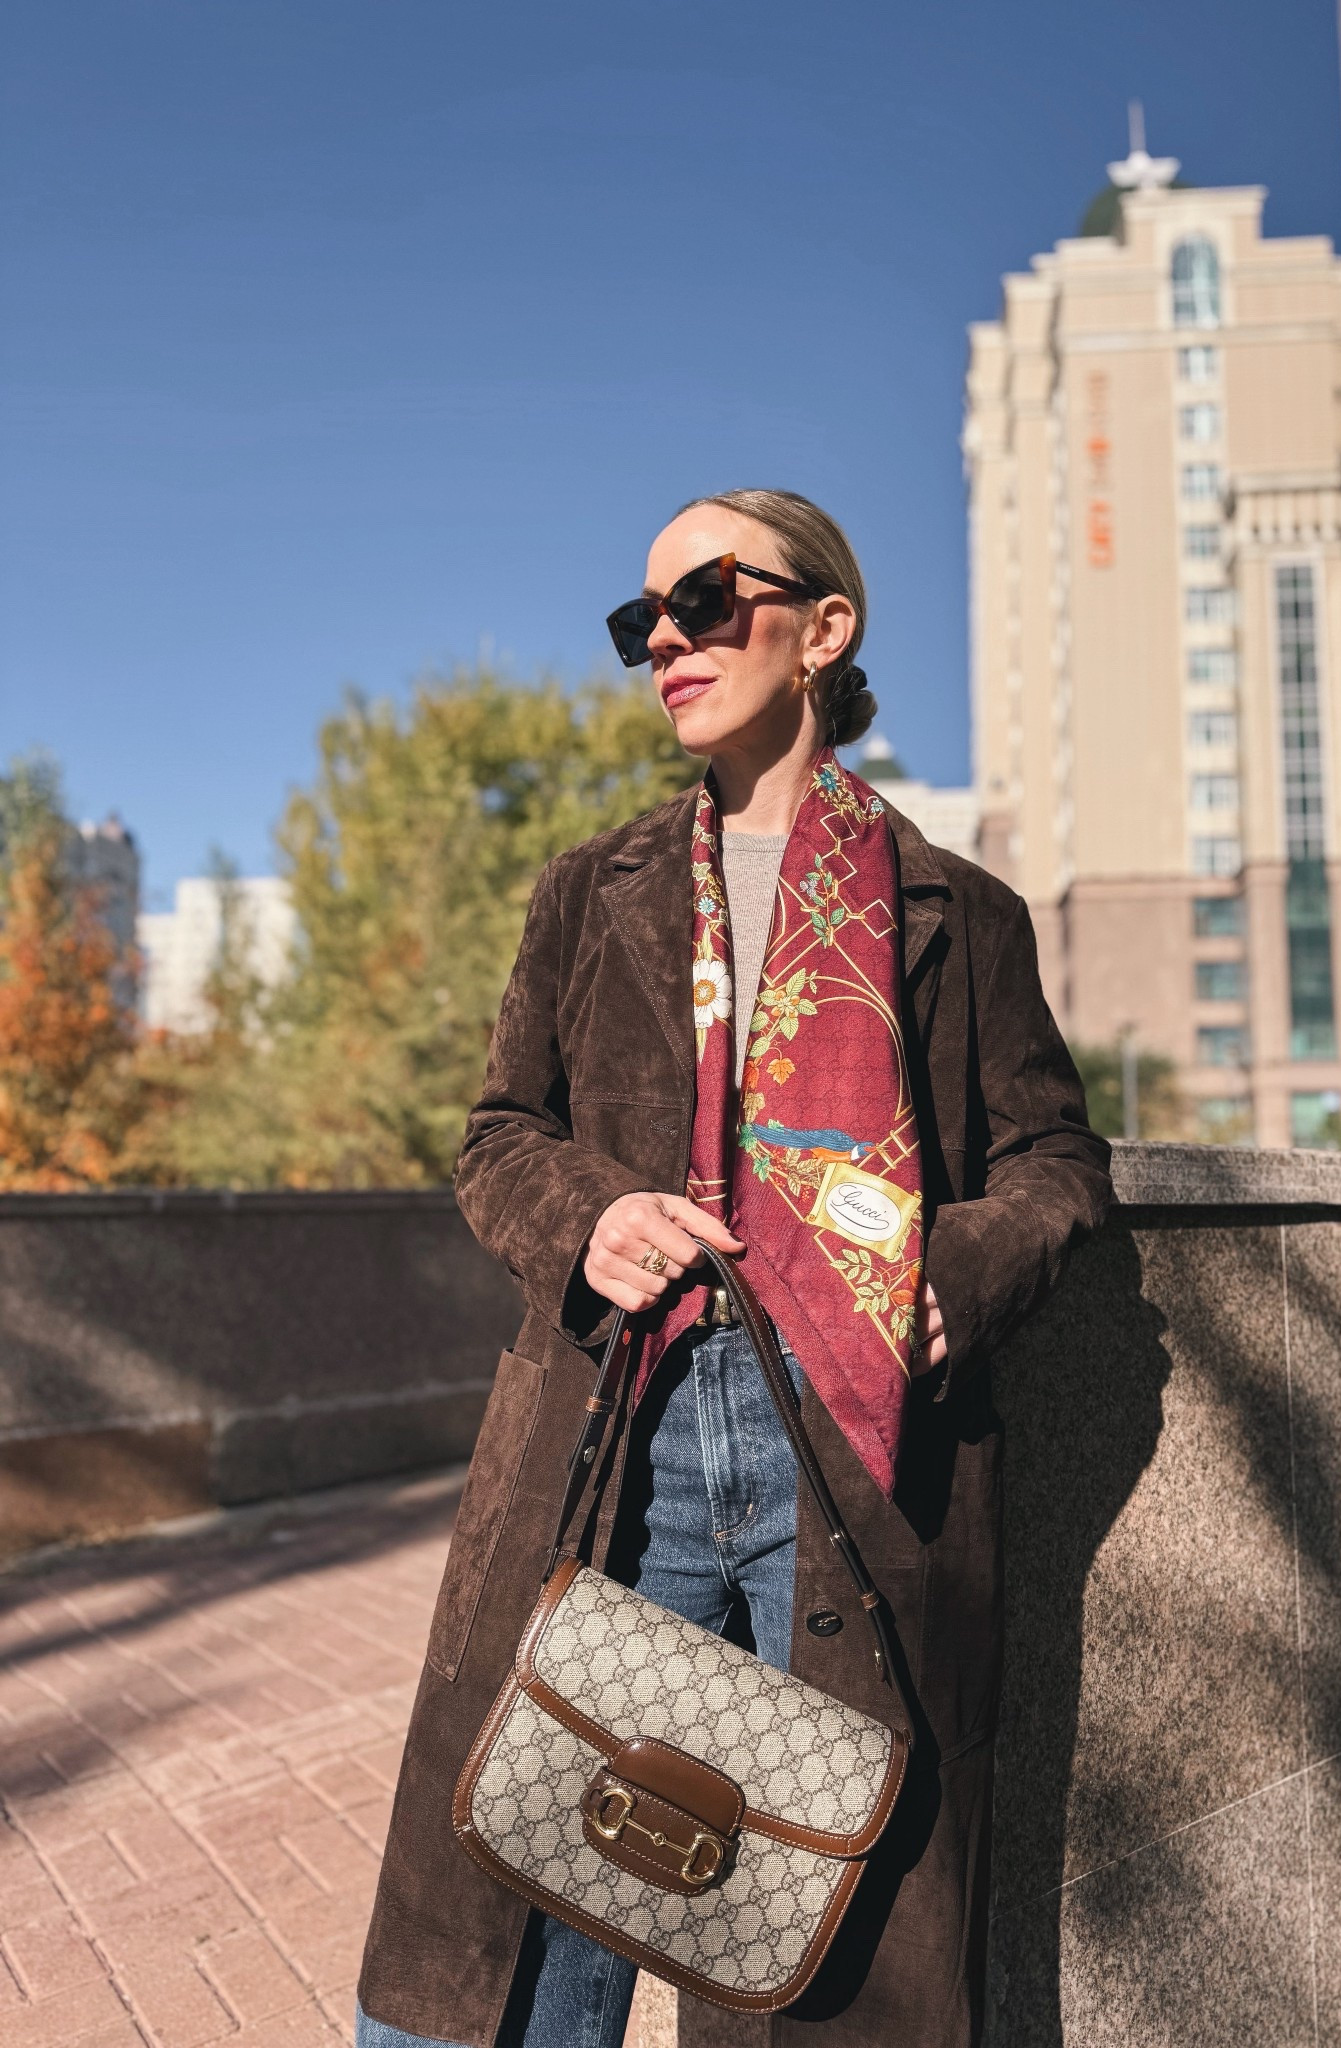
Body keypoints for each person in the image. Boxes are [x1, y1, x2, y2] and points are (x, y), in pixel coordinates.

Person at [355, 489, 1111, 2048]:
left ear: (823, 628)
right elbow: (502, 1135)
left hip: (859, 1447)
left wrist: (943, 1274)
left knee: (821, 1912)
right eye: (643, 623)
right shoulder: (590, 891)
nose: (668, 643)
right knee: (535, 1890)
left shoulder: (963, 916)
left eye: (706, 598)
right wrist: (589, 1218)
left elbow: (1056, 1166)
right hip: (618, 1421)